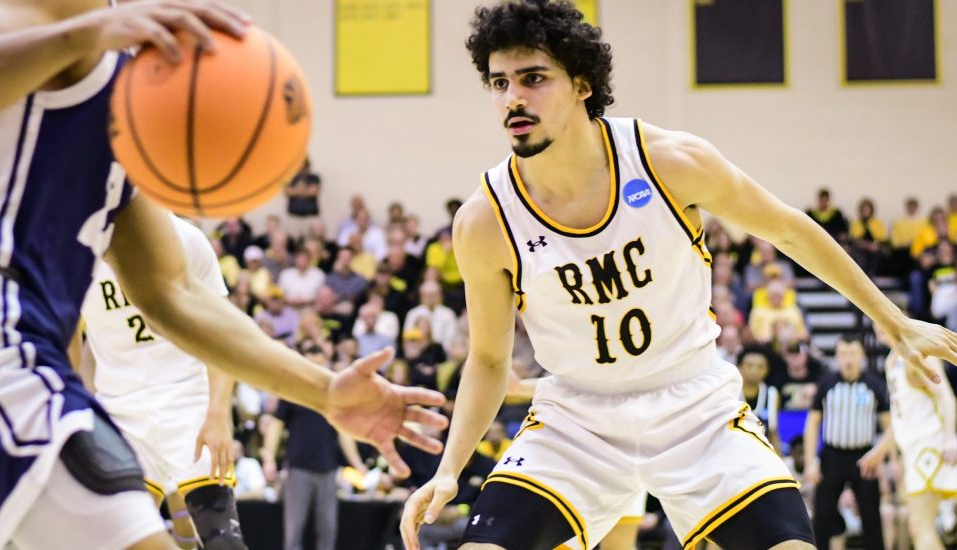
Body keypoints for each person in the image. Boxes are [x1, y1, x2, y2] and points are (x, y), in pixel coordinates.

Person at [0, 2, 447, 549]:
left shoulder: (125, 117)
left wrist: (322, 391)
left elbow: (171, 296)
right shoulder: (62, 12)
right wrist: (85, 33)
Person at [400, 2, 957, 550]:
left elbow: (788, 230)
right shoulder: (483, 220)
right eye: (499, 83)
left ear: (581, 85)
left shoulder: (668, 161)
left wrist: (892, 319)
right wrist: (450, 469)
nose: (512, 98)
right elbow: (491, 360)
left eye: (533, 78)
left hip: (696, 405)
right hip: (576, 419)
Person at [78, 215, 246, 549]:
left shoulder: (186, 239)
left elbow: (224, 335)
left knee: (221, 539)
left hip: (188, 400)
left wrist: (217, 414)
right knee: (120, 541)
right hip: (117, 410)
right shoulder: (74, 252)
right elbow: (69, 340)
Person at [261, 341, 368, 550]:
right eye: (312, 364)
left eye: (320, 364)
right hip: (299, 467)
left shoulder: (333, 391)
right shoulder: (293, 390)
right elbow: (275, 425)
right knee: (294, 530)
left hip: (328, 469)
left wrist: (357, 463)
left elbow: (343, 432)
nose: (316, 369)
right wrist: (268, 459)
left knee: (328, 529)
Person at [864, 331, 956, 550]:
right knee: (919, 526)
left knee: (920, 526)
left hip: (930, 446)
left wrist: (950, 437)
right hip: (913, 449)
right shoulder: (891, 360)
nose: (878, 327)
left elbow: (947, 397)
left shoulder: (917, 355)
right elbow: (901, 416)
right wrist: (881, 450)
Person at [803, 335, 891, 550]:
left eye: (852, 353)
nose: (847, 359)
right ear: (837, 356)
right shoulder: (826, 383)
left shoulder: (873, 384)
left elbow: (891, 426)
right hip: (832, 455)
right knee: (822, 515)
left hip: (864, 457)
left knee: (871, 516)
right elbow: (812, 423)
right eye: (843, 354)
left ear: (861, 355)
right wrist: (810, 461)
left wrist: (883, 456)